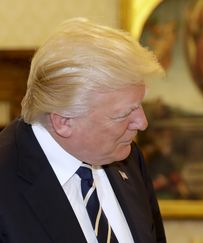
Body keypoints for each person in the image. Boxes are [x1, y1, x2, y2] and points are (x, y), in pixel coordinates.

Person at [0, 18, 166, 243]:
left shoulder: (128, 159)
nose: (142, 122)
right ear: (64, 121)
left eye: (140, 106)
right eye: (124, 113)